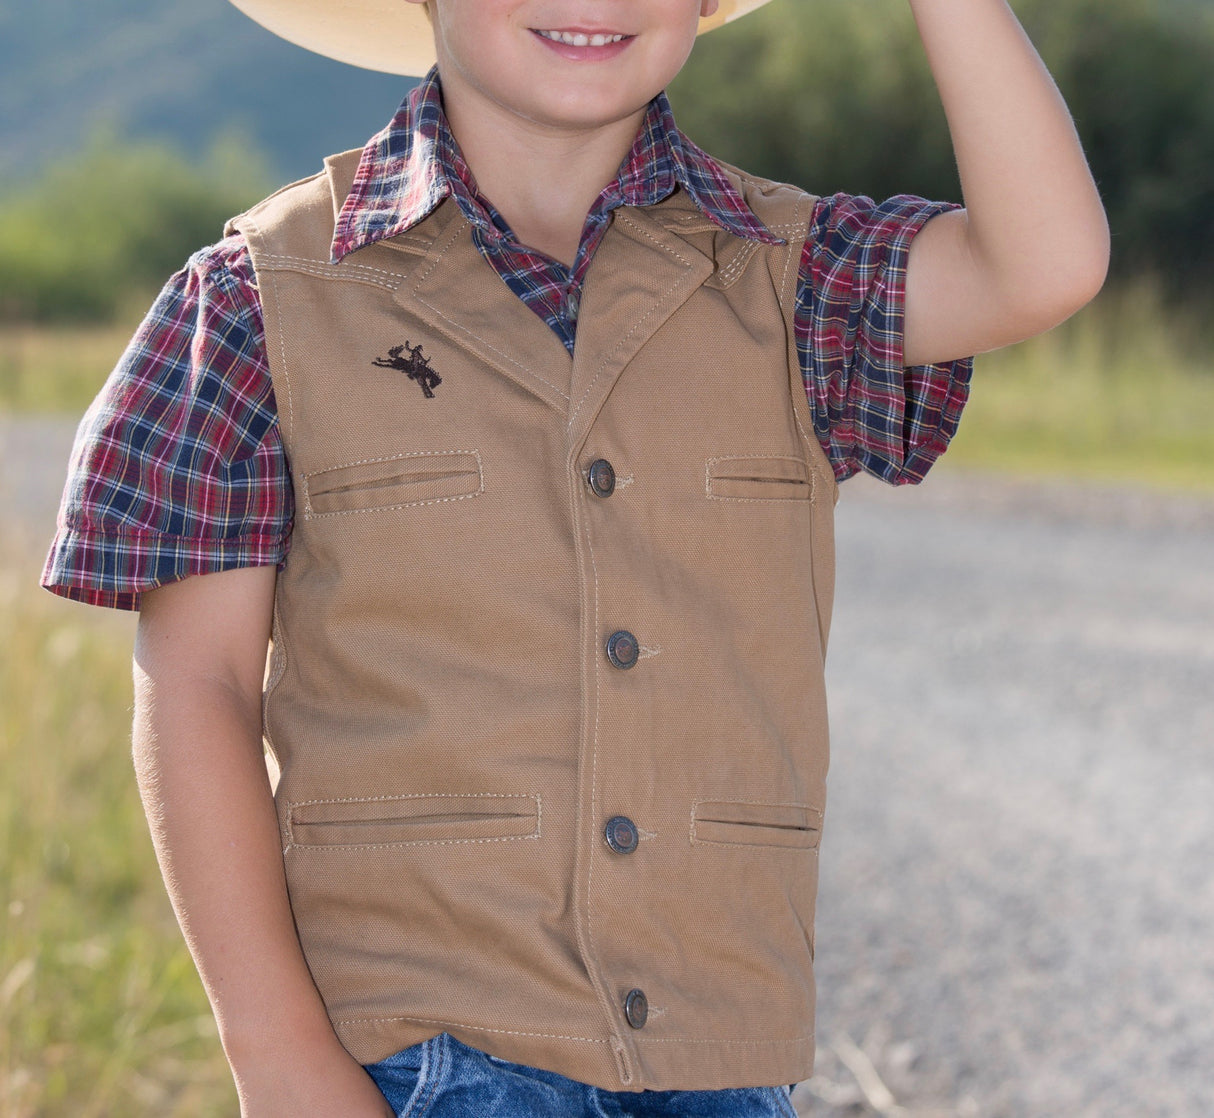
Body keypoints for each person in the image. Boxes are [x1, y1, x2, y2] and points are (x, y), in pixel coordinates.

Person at [42, 1, 1109, 1115]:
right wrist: (279, 1059)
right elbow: (199, 688)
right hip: (415, 1057)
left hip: (720, 1058)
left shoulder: (789, 278)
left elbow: (1044, 263)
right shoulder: (255, 298)